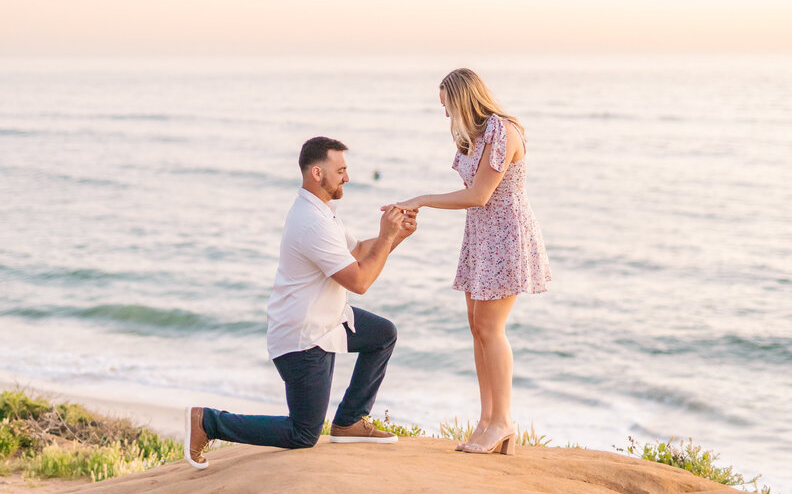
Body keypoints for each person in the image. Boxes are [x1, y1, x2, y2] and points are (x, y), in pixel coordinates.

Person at [185, 136, 416, 467]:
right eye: (342, 171)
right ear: (318, 174)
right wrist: (388, 235)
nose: (347, 178)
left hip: (329, 321)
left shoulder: (322, 213)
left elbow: (361, 253)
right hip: (302, 339)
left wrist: (396, 236)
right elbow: (360, 281)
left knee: (382, 334)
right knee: (303, 434)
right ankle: (207, 422)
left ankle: (349, 421)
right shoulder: (311, 222)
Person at [392, 68, 550, 456]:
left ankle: (504, 422)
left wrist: (422, 199)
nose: (445, 116)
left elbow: (480, 195)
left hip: (505, 237)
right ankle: (486, 420)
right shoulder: (472, 138)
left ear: (463, 100)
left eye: (447, 106)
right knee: (477, 327)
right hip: (481, 237)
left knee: (492, 329)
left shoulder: (502, 131)